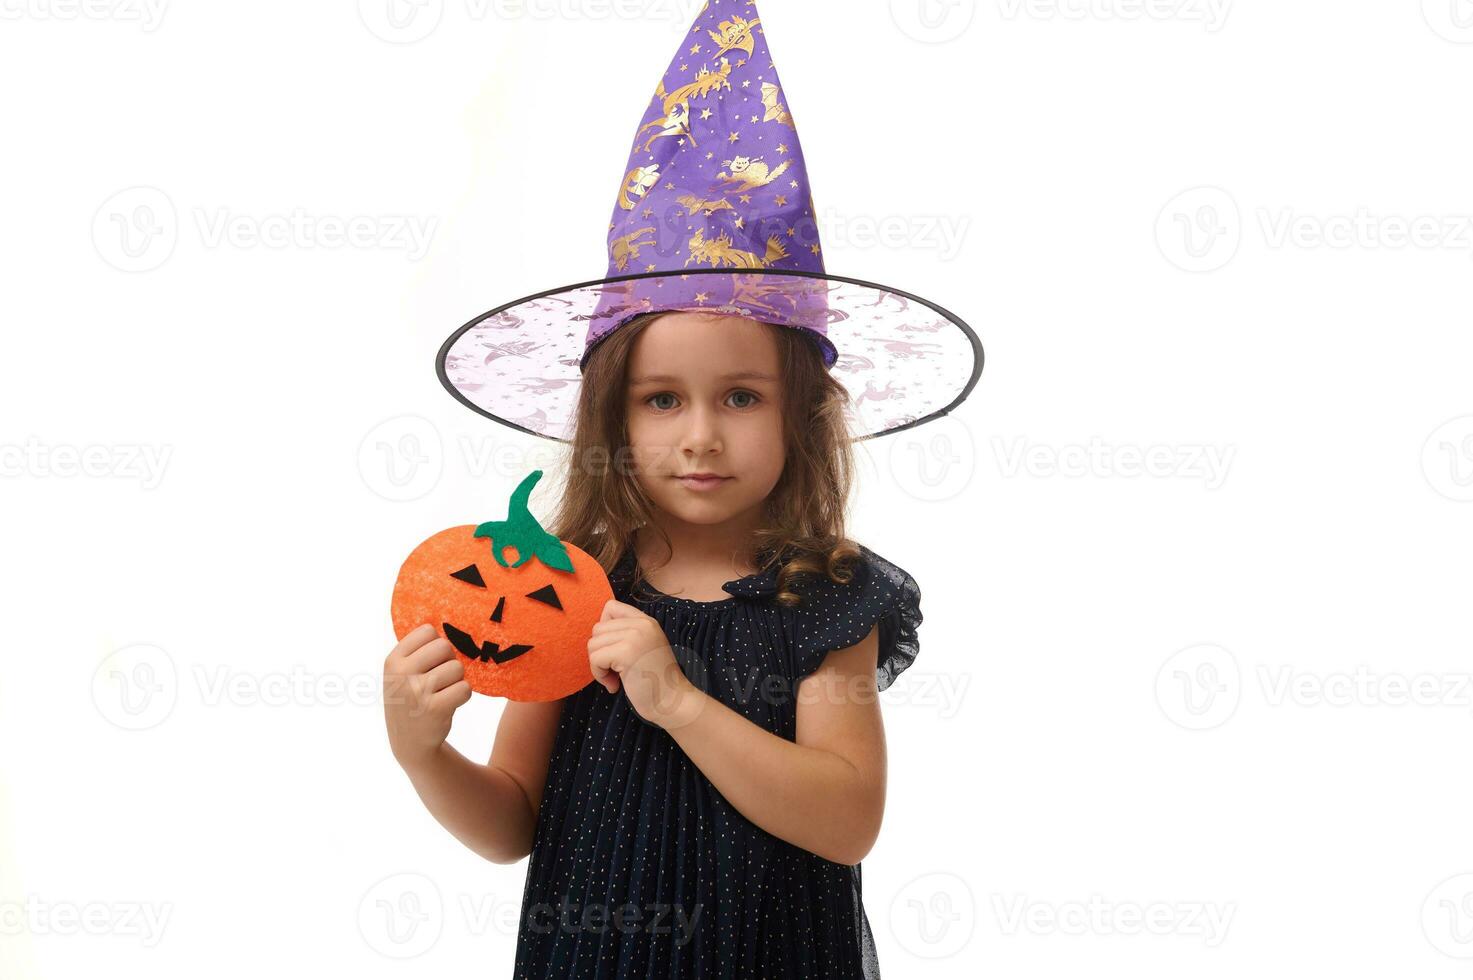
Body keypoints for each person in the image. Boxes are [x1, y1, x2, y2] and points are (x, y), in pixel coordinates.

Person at [384, 1, 981, 975]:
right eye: (663, 399)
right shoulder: (570, 589)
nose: (701, 433)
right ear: (615, 416)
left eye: (741, 395)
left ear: (799, 411)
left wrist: (677, 697)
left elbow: (847, 817)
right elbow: (511, 821)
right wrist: (423, 752)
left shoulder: (825, 597)